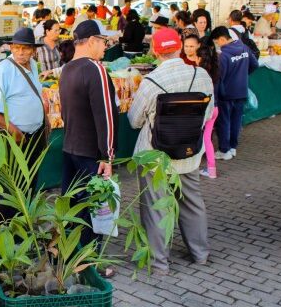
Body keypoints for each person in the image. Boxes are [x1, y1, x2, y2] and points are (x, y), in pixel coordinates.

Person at [127, 28, 214, 275]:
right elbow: (208, 115)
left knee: (156, 207)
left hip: (154, 156)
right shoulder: (203, 75)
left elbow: (134, 120)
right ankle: (201, 254)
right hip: (189, 151)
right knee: (192, 202)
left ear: (155, 50)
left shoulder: (152, 81)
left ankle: (159, 264)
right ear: (180, 47)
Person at [59, 19, 118, 250]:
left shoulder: (66, 69)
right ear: (92, 41)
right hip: (90, 154)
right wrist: (108, 156)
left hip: (70, 148)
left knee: (74, 208)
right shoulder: (96, 69)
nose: (105, 47)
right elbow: (106, 116)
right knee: (94, 211)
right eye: (103, 42)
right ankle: (90, 262)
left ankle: (71, 256)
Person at [0, 28, 47, 227]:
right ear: (11, 48)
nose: (21, 52)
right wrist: (16, 132)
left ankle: (21, 229)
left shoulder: (33, 65)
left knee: (28, 185)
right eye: (17, 48)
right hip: (14, 138)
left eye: (25, 48)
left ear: (33, 50)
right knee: (7, 188)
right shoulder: (3, 69)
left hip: (33, 136)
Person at [210, 26, 258, 161]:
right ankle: (232, 147)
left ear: (222, 39)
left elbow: (218, 78)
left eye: (217, 42)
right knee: (236, 120)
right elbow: (255, 65)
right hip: (242, 91)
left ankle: (224, 150)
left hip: (226, 93)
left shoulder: (223, 56)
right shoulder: (244, 48)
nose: (217, 45)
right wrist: (243, 75)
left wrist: (215, 98)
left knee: (224, 121)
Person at [197, 39, 220, 179]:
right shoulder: (215, 70)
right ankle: (212, 169)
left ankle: (199, 167)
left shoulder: (200, 73)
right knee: (208, 139)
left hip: (206, 109)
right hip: (215, 108)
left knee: (203, 139)